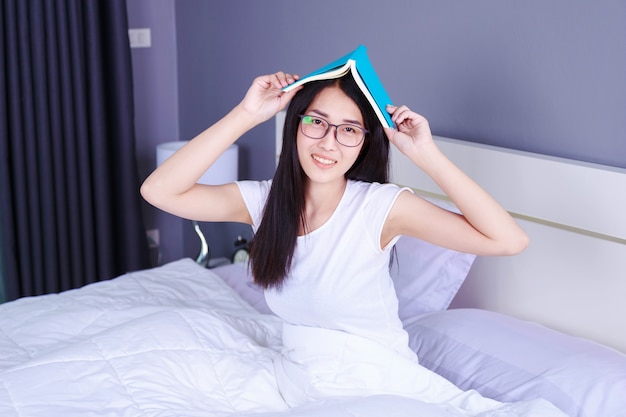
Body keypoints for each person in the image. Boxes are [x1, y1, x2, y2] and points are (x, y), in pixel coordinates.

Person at [142, 72, 565, 415]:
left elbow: (509, 240)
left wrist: (425, 154)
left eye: (348, 130)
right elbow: (159, 191)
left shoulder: (380, 208)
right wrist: (247, 113)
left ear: (364, 141)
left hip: (374, 384)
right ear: (296, 124)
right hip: (298, 380)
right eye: (317, 122)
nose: (328, 143)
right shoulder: (266, 201)